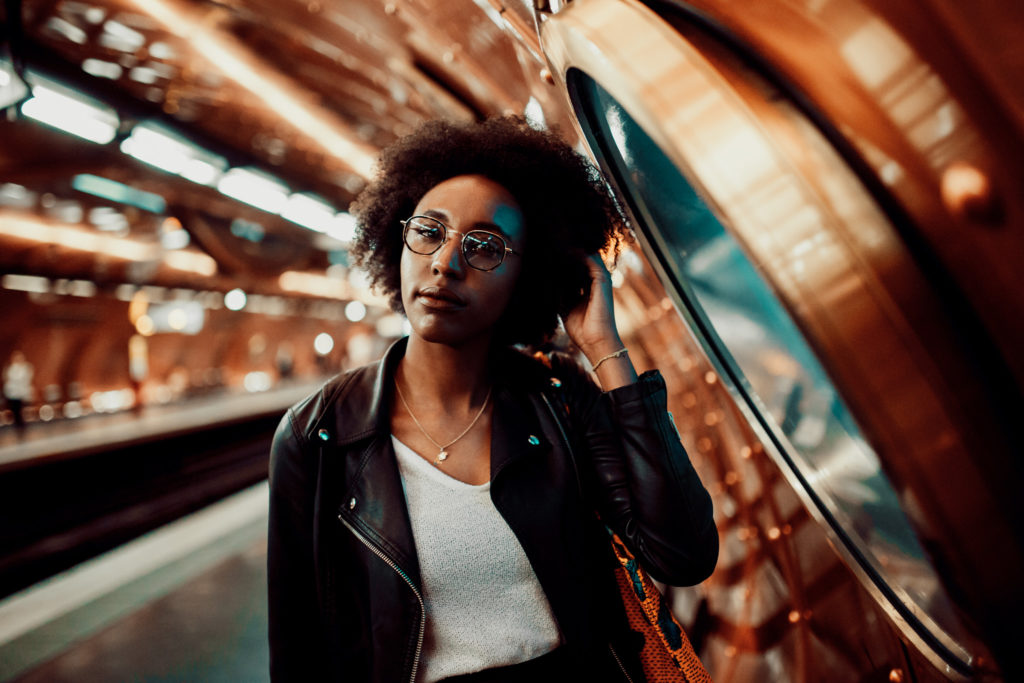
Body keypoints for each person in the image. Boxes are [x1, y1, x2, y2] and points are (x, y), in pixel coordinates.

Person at [268, 116, 718, 682]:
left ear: (528, 276)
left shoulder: (558, 398)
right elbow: (299, 649)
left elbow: (683, 554)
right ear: (397, 239)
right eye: (429, 231)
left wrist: (604, 348)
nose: (445, 263)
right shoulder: (320, 434)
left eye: (485, 247)